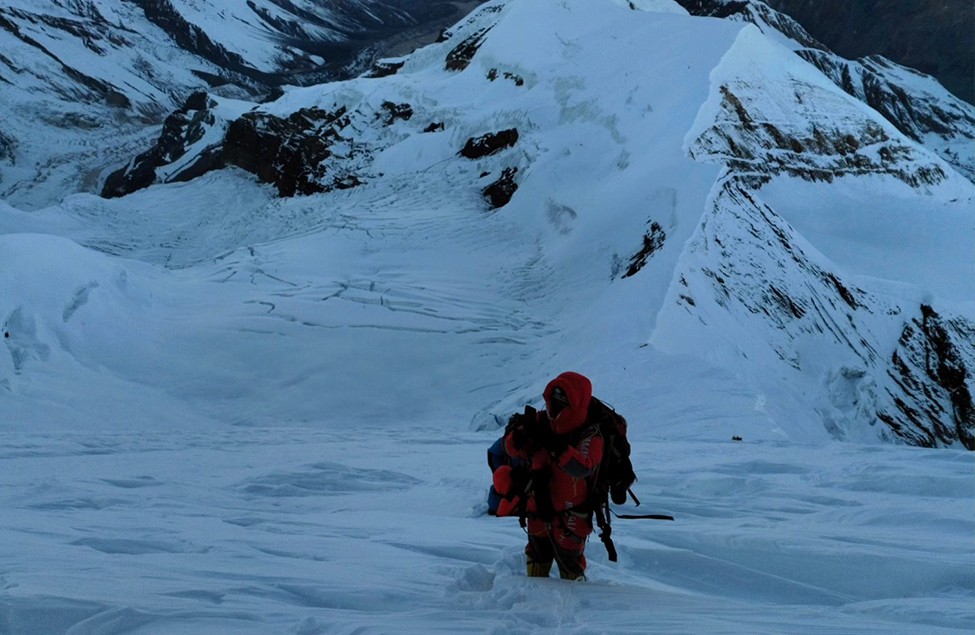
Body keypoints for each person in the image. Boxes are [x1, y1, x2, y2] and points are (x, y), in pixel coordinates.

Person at [494, 371, 605, 580]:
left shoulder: (589, 434)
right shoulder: (541, 422)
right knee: (537, 555)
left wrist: (556, 447)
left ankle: (576, 605)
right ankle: (536, 598)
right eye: (553, 400)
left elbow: (582, 467)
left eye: (562, 401)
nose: (555, 406)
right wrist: (516, 438)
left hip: (572, 515)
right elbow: (511, 447)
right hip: (538, 507)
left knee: (570, 562)